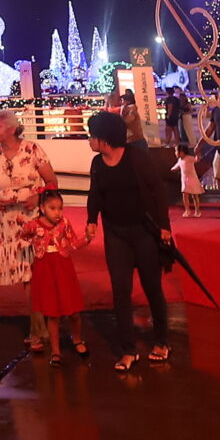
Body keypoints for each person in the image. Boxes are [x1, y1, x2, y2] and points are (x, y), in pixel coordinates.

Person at [83, 109, 176, 370]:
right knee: (120, 290)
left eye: (92, 135)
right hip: (116, 234)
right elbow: (95, 194)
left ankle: (162, 341)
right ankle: (128, 350)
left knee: (152, 287)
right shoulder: (98, 163)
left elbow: (157, 191)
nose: (89, 140)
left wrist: (164, 227)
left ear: (105, 138)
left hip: (144, 232)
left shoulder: (136, 158)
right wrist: (91, 220)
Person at [0, 108, 53, 282]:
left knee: (36, 267)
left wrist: (38, 197)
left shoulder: (32, 149)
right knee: (24, 272)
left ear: (12, 129)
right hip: (8, 220)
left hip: (33, 215)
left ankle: (40, 299)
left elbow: (52, 182)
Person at [25, 190, 88, 360]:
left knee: (73, 311)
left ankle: (77, 339)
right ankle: (55, 350)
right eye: (52, 208)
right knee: (52, 313)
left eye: (60, 208)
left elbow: (74, 242)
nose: (57, 212)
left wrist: (87, 238)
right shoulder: (34, 225)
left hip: (63, 269)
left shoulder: (64, 223)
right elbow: (23, 236)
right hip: (45, 270)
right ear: (42, 208)